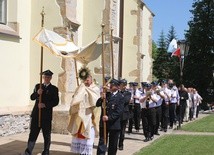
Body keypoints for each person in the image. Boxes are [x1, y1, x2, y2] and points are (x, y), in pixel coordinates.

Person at [23, 70, 59, 155]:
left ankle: (46, 151)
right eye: (45, 77)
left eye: (48, 77)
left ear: (51, 78)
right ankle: (28, 151)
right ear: (43, 77)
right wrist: (37, 93)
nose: (47, 78)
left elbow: (56, 102)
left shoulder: (54, 89)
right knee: (33, 134)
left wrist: (45, 105)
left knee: (46, 135)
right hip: (36, 115)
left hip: (46, 116)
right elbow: (32, 97)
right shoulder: (38, 86)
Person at [67, 70, 100, 155]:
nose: (87, 80)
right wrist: (79, 92)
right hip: (79, 115)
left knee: (87, 136)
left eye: (88, 78)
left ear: (91, 78)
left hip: (89, 115)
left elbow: (95, 101)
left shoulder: (95, 88)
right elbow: (75, 98)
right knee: (79, 136)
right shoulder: (80, 87)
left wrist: (84, 92)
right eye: (85, 78)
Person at [96, 79, 124, 155]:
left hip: (114, 124)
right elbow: (97, 104)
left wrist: (109, 118)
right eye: (110, 84)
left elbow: (119, 111)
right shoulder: (106, 95)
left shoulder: (120, 97)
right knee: (102, 142)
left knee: (113, 144)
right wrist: (101, 98)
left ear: (118, 87)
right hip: (104, 124)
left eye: (113, 84)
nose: (110, 86)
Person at [118, 79, 131, 150]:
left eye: (123, 85)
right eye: (121, 85)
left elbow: (125, 101)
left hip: (124, 114)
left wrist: (119, 95)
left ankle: (120, 144)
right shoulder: (117, 93)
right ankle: (114, 144)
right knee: (116, 130)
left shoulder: (128, 93)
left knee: (122, 131)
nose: (122, 86)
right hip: (117, 114)